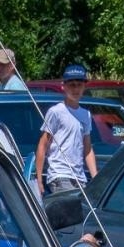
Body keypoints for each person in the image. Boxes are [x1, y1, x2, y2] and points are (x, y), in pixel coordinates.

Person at [34, 64, 98, 199]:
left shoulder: (86, 114)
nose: (75, 89)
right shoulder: (56, 111)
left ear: (84, 87)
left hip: (80, 178)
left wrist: (95, 177)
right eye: (72, 85)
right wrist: (38, 180)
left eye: (79, 85)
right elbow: (43, 144)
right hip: (60, 175)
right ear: (64, 86)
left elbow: (87, 149)